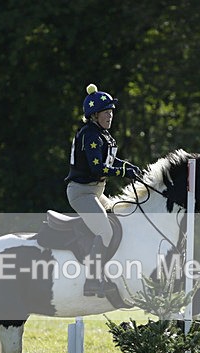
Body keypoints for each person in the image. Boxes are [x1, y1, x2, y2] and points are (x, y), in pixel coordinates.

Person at [66, 83, 141, 297]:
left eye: (111, 112)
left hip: (96, 192)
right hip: (81, 193)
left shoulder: (103, 134)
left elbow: (110, 159)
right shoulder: (90, 135)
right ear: (94, 115)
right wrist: (123, 172)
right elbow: (98, 167)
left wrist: (128, 166)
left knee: (122, 218)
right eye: (105, 112)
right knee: (105, 231)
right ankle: (91, 280)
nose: (110, 116)